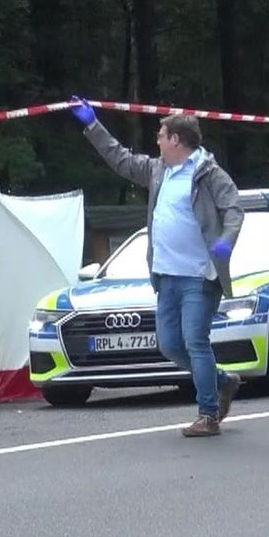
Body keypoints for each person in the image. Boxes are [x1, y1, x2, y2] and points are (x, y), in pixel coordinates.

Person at [70, 97, 244, 437]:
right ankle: (222, 381)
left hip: (199, 275)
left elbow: (234, 210)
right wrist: (92, 125)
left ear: (176, 140)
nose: (158, 140)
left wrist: (226, 239)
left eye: (162, 135)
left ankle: (208, 415)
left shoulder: (208, 173)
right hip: (166, 276)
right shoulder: (158, 170)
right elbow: (120, 160)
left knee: (195, 340)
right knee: (169, 345)